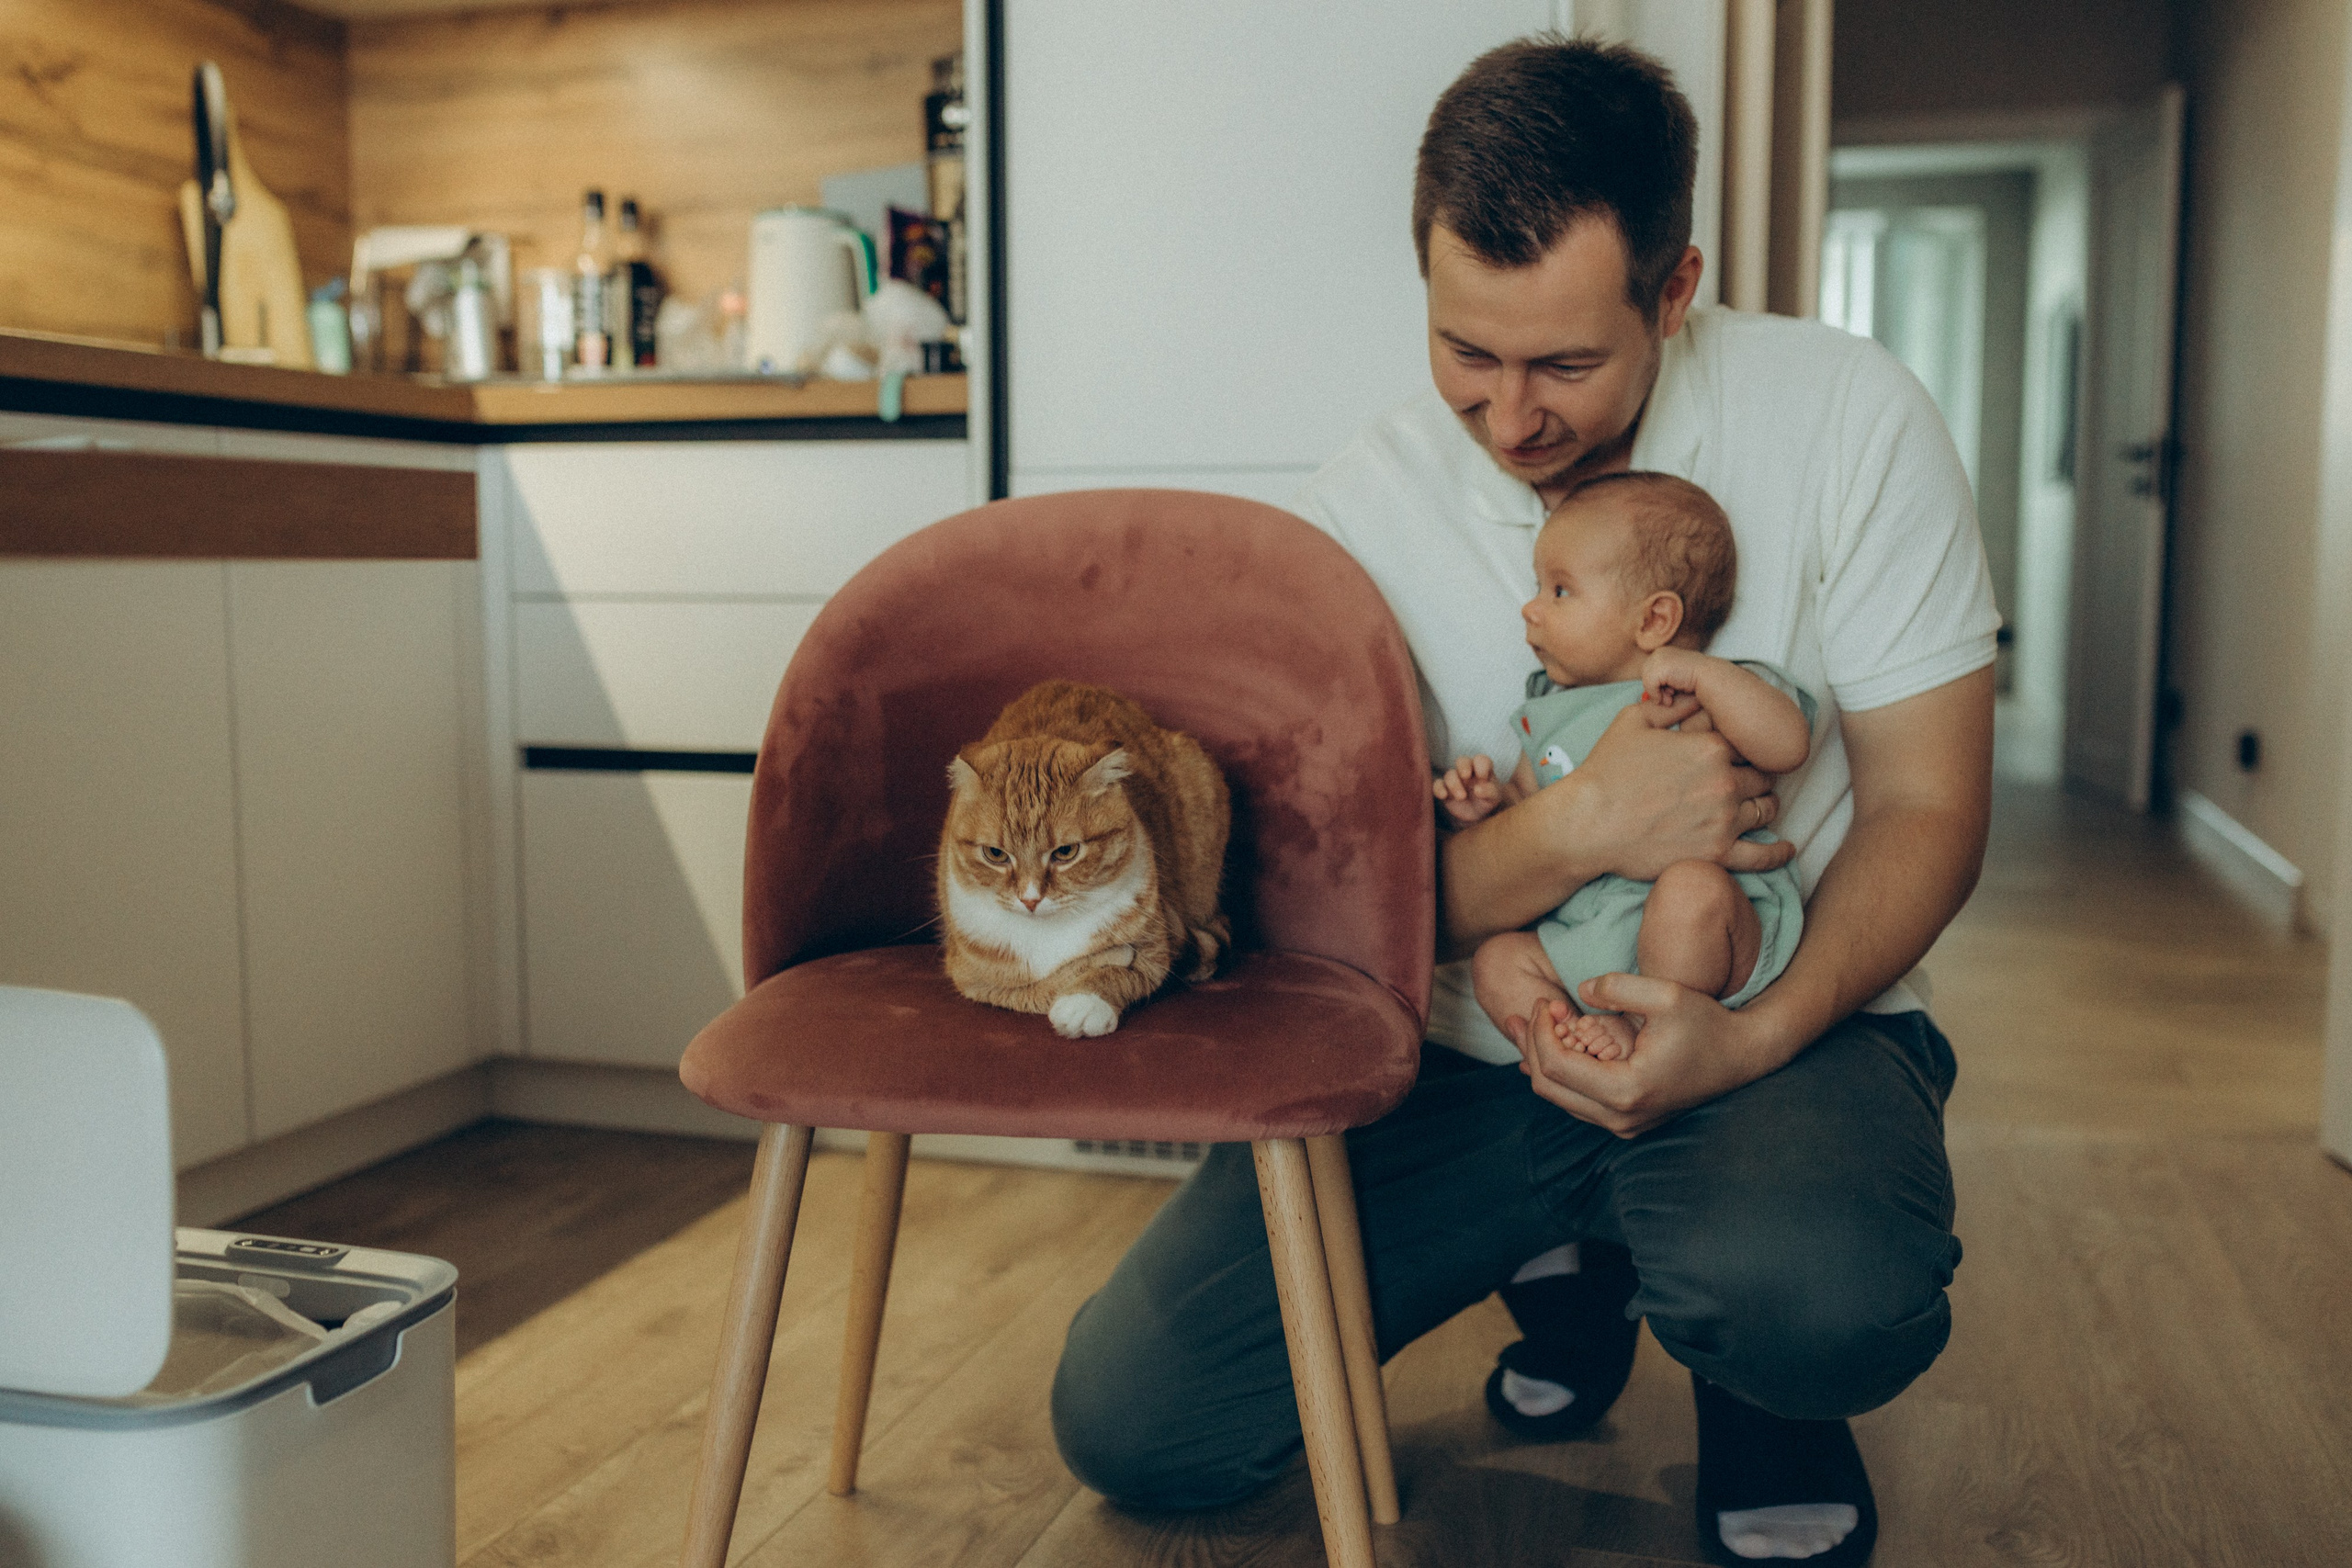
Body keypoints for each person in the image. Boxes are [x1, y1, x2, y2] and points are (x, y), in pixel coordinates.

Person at [1050, 34, 1996, 1568]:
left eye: (1563, 363)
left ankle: (1750, 1365)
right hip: (1470, 1053)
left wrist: (1752, 1028)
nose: (1506, 420)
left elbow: (1931, 805)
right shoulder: (1361, 508)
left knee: (1815, 1303)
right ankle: (1576, 1260)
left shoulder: (1849, 417)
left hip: (1777, 1020)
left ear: (1675, 289)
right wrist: (1578, 830)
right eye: (1462, 352)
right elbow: (1331, 907)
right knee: (1138, 1423)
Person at [1439, 471, 1815, 1066]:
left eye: (1560, 591)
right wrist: (1484, 808)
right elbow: (1528, 813)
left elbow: (1789, 742)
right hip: (1588, 934)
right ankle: (1571, 1046)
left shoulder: (1707, 687)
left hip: (1699, 929)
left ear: (1654, 621)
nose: (1530, 608)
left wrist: (1703, 674)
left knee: (1691, 892)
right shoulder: (1548, 710)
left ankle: (1652, 1034)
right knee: (1497, 962)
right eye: (1538, 585)